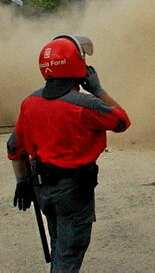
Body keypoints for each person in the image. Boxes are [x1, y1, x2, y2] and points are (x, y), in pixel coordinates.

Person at [7, 35, 131, 272]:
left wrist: (22, 181)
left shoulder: (29, 102)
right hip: (73, 192)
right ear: (79, 67)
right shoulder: (85, 104)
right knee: (69, 255)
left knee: (59, 247)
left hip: (42, 189)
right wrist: (97, 89)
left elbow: (14, 146)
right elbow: (122, 121)